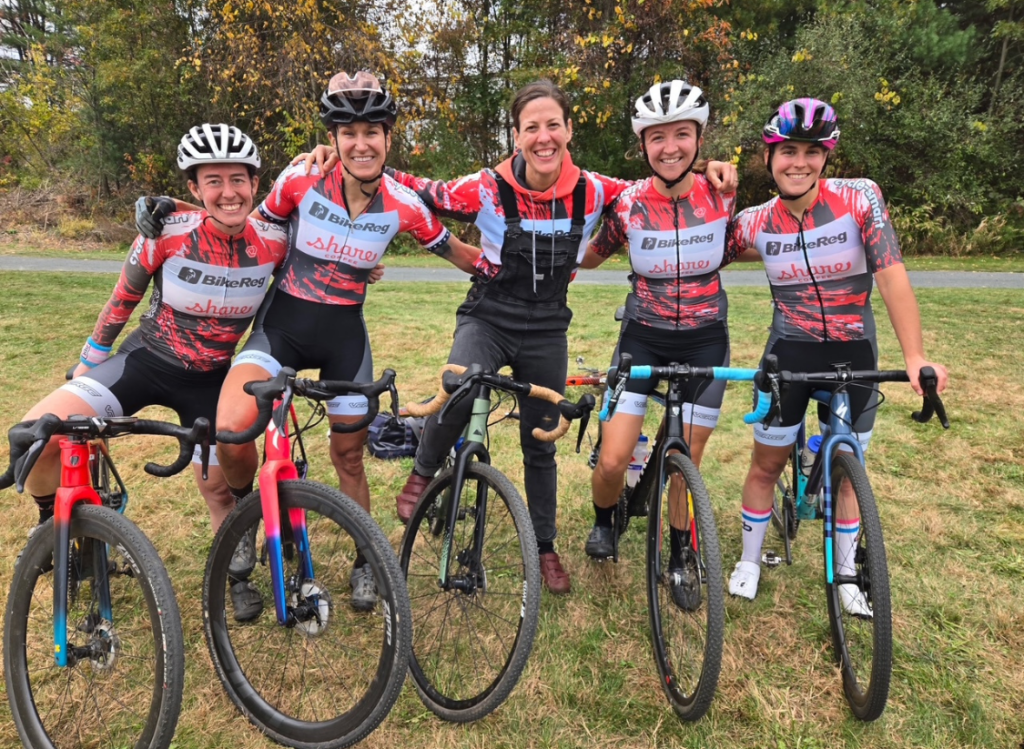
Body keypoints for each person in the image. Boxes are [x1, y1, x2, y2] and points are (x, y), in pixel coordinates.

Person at [372, 80, 738, 595]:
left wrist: (708, 167)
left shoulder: (597, 190)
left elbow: (661, 178)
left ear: (568, 130)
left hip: (547, 326)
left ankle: (544, 546)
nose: (543, 137)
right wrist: (351, 158)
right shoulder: (485, 186)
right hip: (489, 316)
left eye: (552, 125)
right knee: (462, 384)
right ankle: (424, 469)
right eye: (531, 128)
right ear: (516, 136)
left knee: (541, 438)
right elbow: (418, 188)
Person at [135, 72, 481, 614]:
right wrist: (172, 206)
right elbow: (239, 223)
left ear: (389, 138)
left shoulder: (405, 205)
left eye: (372, 132)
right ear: (333, 139)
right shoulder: (300, 178)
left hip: (345, 339)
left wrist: (526, 271)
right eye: (348, 133)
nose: (361, 144)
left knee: (349, 456)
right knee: (231, 432)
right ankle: (247, 516)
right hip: (281, 330)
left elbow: (460, 253)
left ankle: (365, 560)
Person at [21, 124, 288, 621]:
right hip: (145, 359)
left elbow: (321, 255)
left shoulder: (276, 240)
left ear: (256, 183)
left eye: (238, 179)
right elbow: (123, 299)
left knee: (223, 484)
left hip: (212, 376)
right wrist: (87, 364)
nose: (228, 192)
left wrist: (369, 269)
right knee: (36, 435)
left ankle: (238, 566)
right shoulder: (166, 232)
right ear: (195, 188)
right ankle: (49, 527)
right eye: (213, 181)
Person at [727, 98, 949, 608]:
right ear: (768, 157)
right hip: (789, 354)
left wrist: (915, 356)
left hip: (855, 353)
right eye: (788, 151)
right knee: (766, 466)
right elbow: (700, 244)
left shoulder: (859, 198)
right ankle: (749, 560)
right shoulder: (754, 221)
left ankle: (847, 576)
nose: (799, 162)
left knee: (848, 472)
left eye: (812, 151)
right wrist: (716, 181)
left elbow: (891, 277)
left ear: (827, 156)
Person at [578, 81, 737, 598]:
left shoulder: (721, 192)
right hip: (642, 338)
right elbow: (589, 256)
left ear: (699, 138)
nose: (670, 147)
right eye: (657, 137)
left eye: (682, 134)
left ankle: (680, 552)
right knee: (612, 459)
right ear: (643, 145)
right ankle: (605, 519)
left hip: (705, 339)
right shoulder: (627, 204)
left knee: (683, 462)